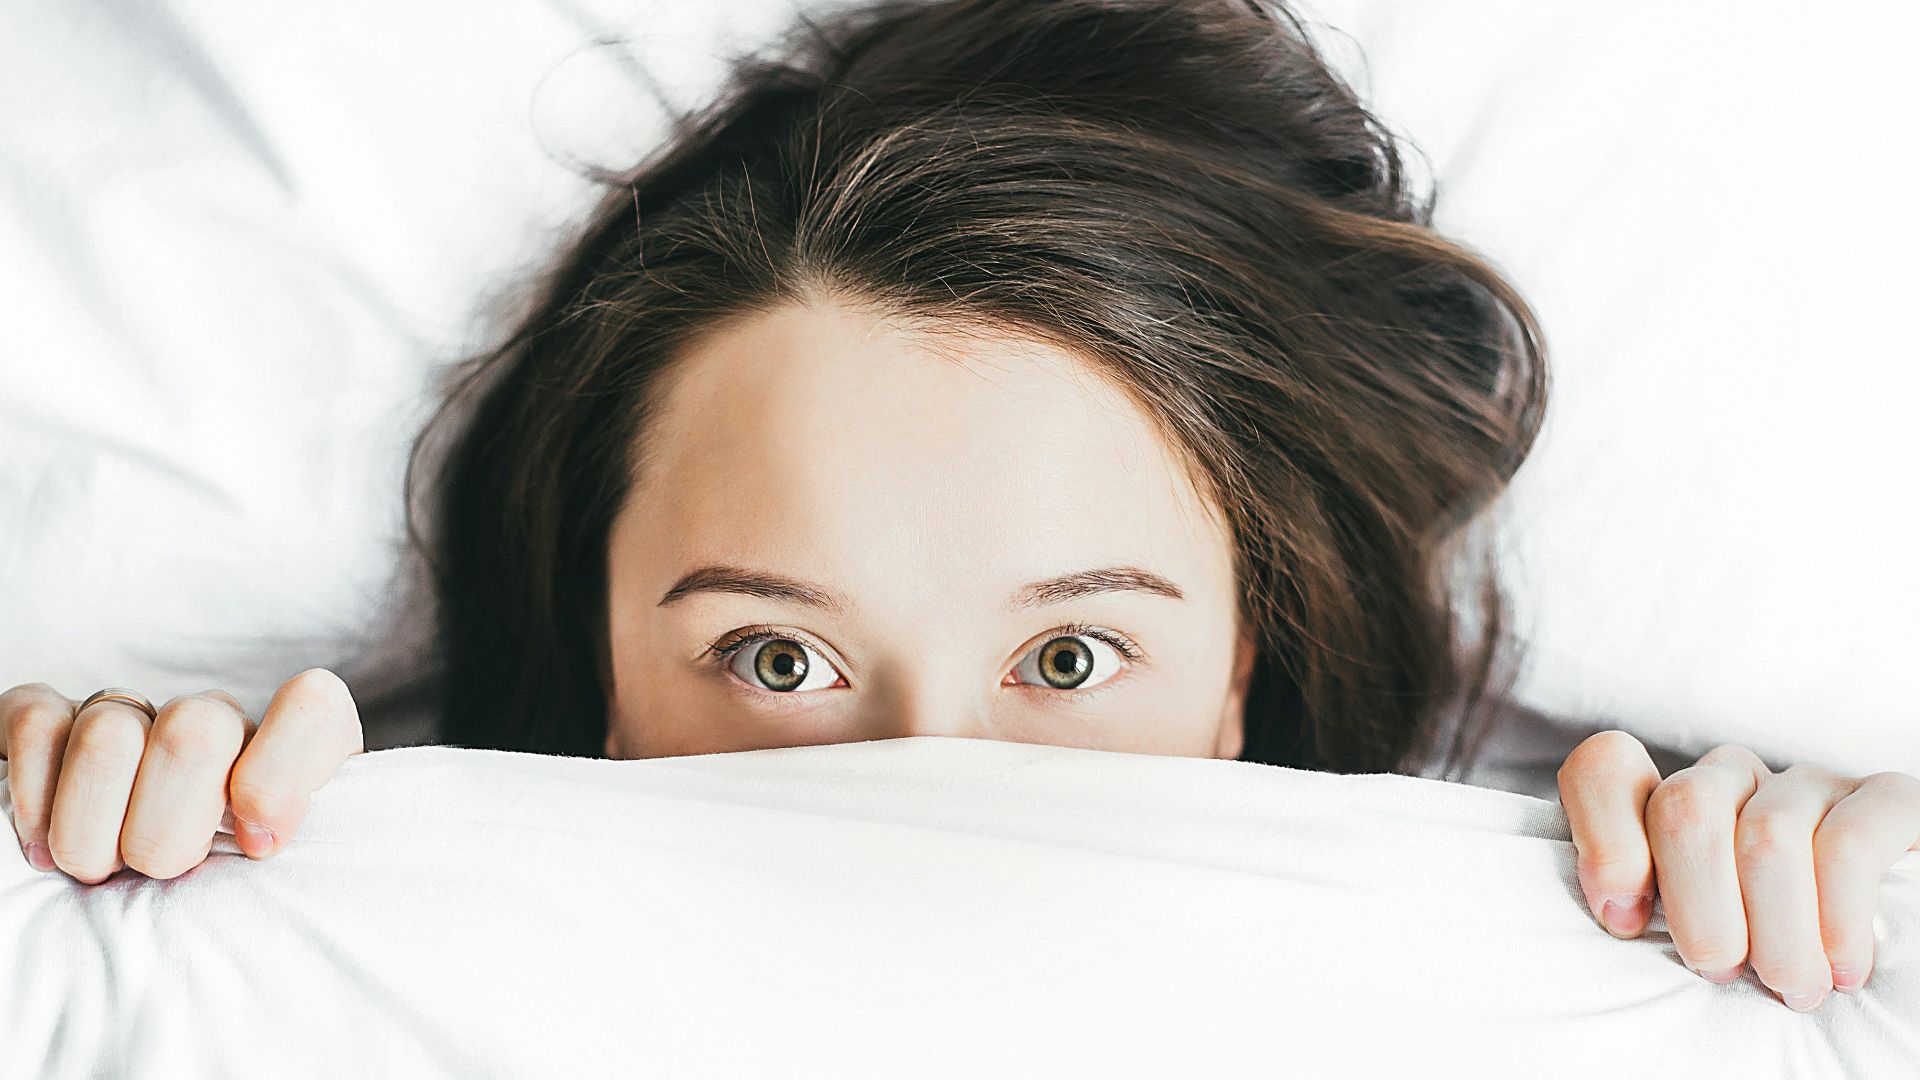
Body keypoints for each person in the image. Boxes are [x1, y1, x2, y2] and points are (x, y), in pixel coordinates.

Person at [1, 0, 1913, 1016]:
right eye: (776, 654)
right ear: (594, 674)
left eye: (1072, 654)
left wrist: (1849, 903)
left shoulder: (1585, 941)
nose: (927, 778)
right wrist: (81, 838)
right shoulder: (303, 935)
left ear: (1246, 670)